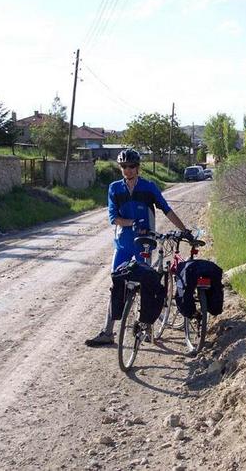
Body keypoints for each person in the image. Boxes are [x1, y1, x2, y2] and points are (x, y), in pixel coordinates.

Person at [85, 149, 188, 347]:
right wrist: (132, 222)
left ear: (138, 168)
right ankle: (108, 332)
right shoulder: (115, 188)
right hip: (123, 244)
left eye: (131, 166)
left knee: (144, 285)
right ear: (120, 168)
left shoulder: (149, 187)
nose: (128, 170)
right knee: (117, 285)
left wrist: (184, 230)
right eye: (124, 167)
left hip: (144, 244)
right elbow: (113, 218)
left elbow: (166, 209)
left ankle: (146, 326)